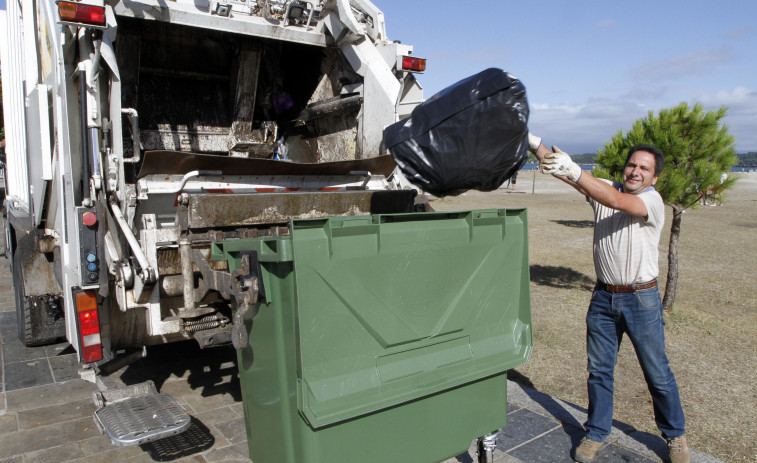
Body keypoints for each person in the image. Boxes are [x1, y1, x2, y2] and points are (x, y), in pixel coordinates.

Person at [527, 134, 690, 463]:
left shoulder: (652, 202)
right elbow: (563, 171)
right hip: (603, 299)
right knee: (599, 371)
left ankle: (675, 436)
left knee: (657, 372)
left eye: (644, 168)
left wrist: (575, 171)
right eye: (632, 164)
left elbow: (615, 200)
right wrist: (533, 141)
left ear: (654, 177)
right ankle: (597, 433)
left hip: (641, 299)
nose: (636, 171)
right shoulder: (604, 189)